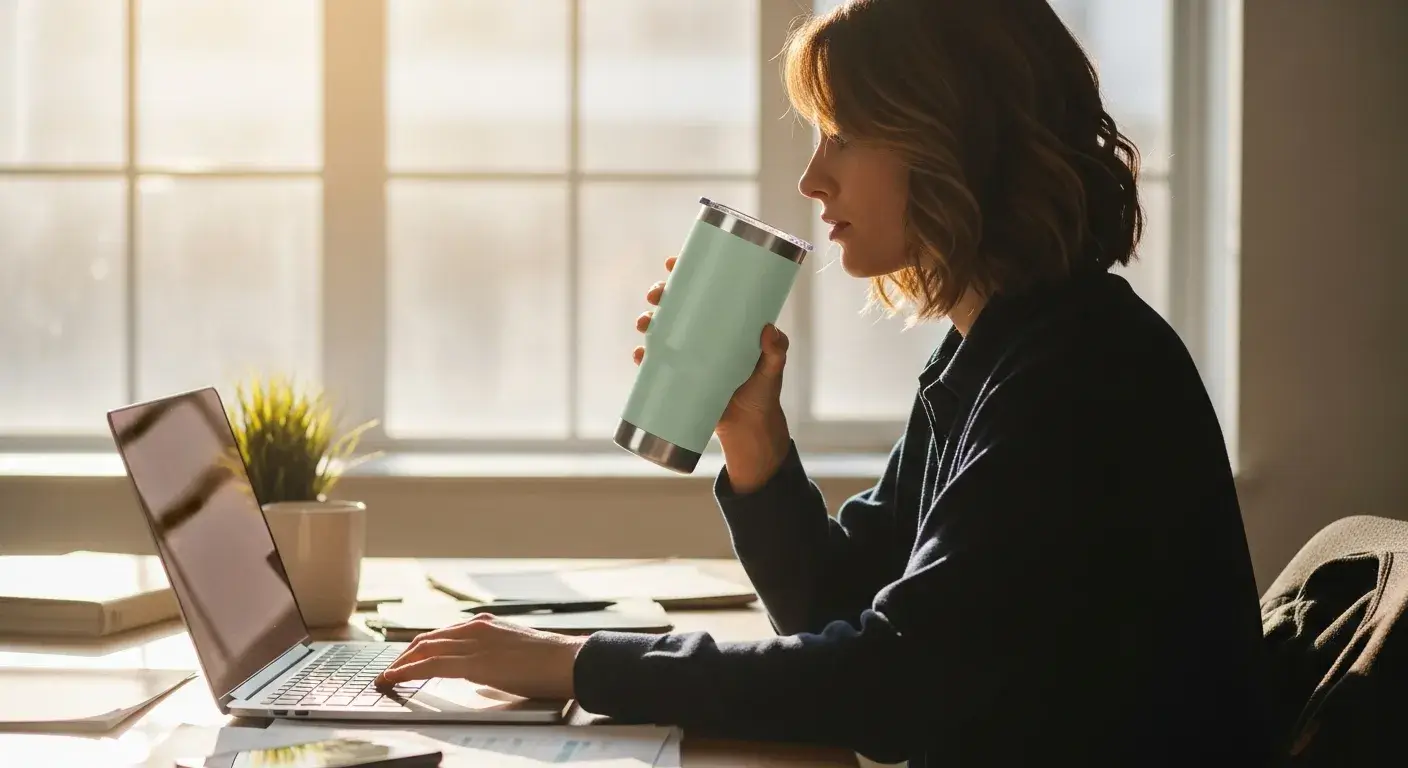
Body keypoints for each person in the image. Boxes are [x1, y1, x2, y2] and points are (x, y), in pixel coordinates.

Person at [376, 0, 1274, 764]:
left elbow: (890, 685)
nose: (812, 177)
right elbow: (847, 613)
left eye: (842, 136)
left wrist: (575, 665)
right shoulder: (1001, 350)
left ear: (949, 141)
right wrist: (755, 443)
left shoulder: (1080, 377)